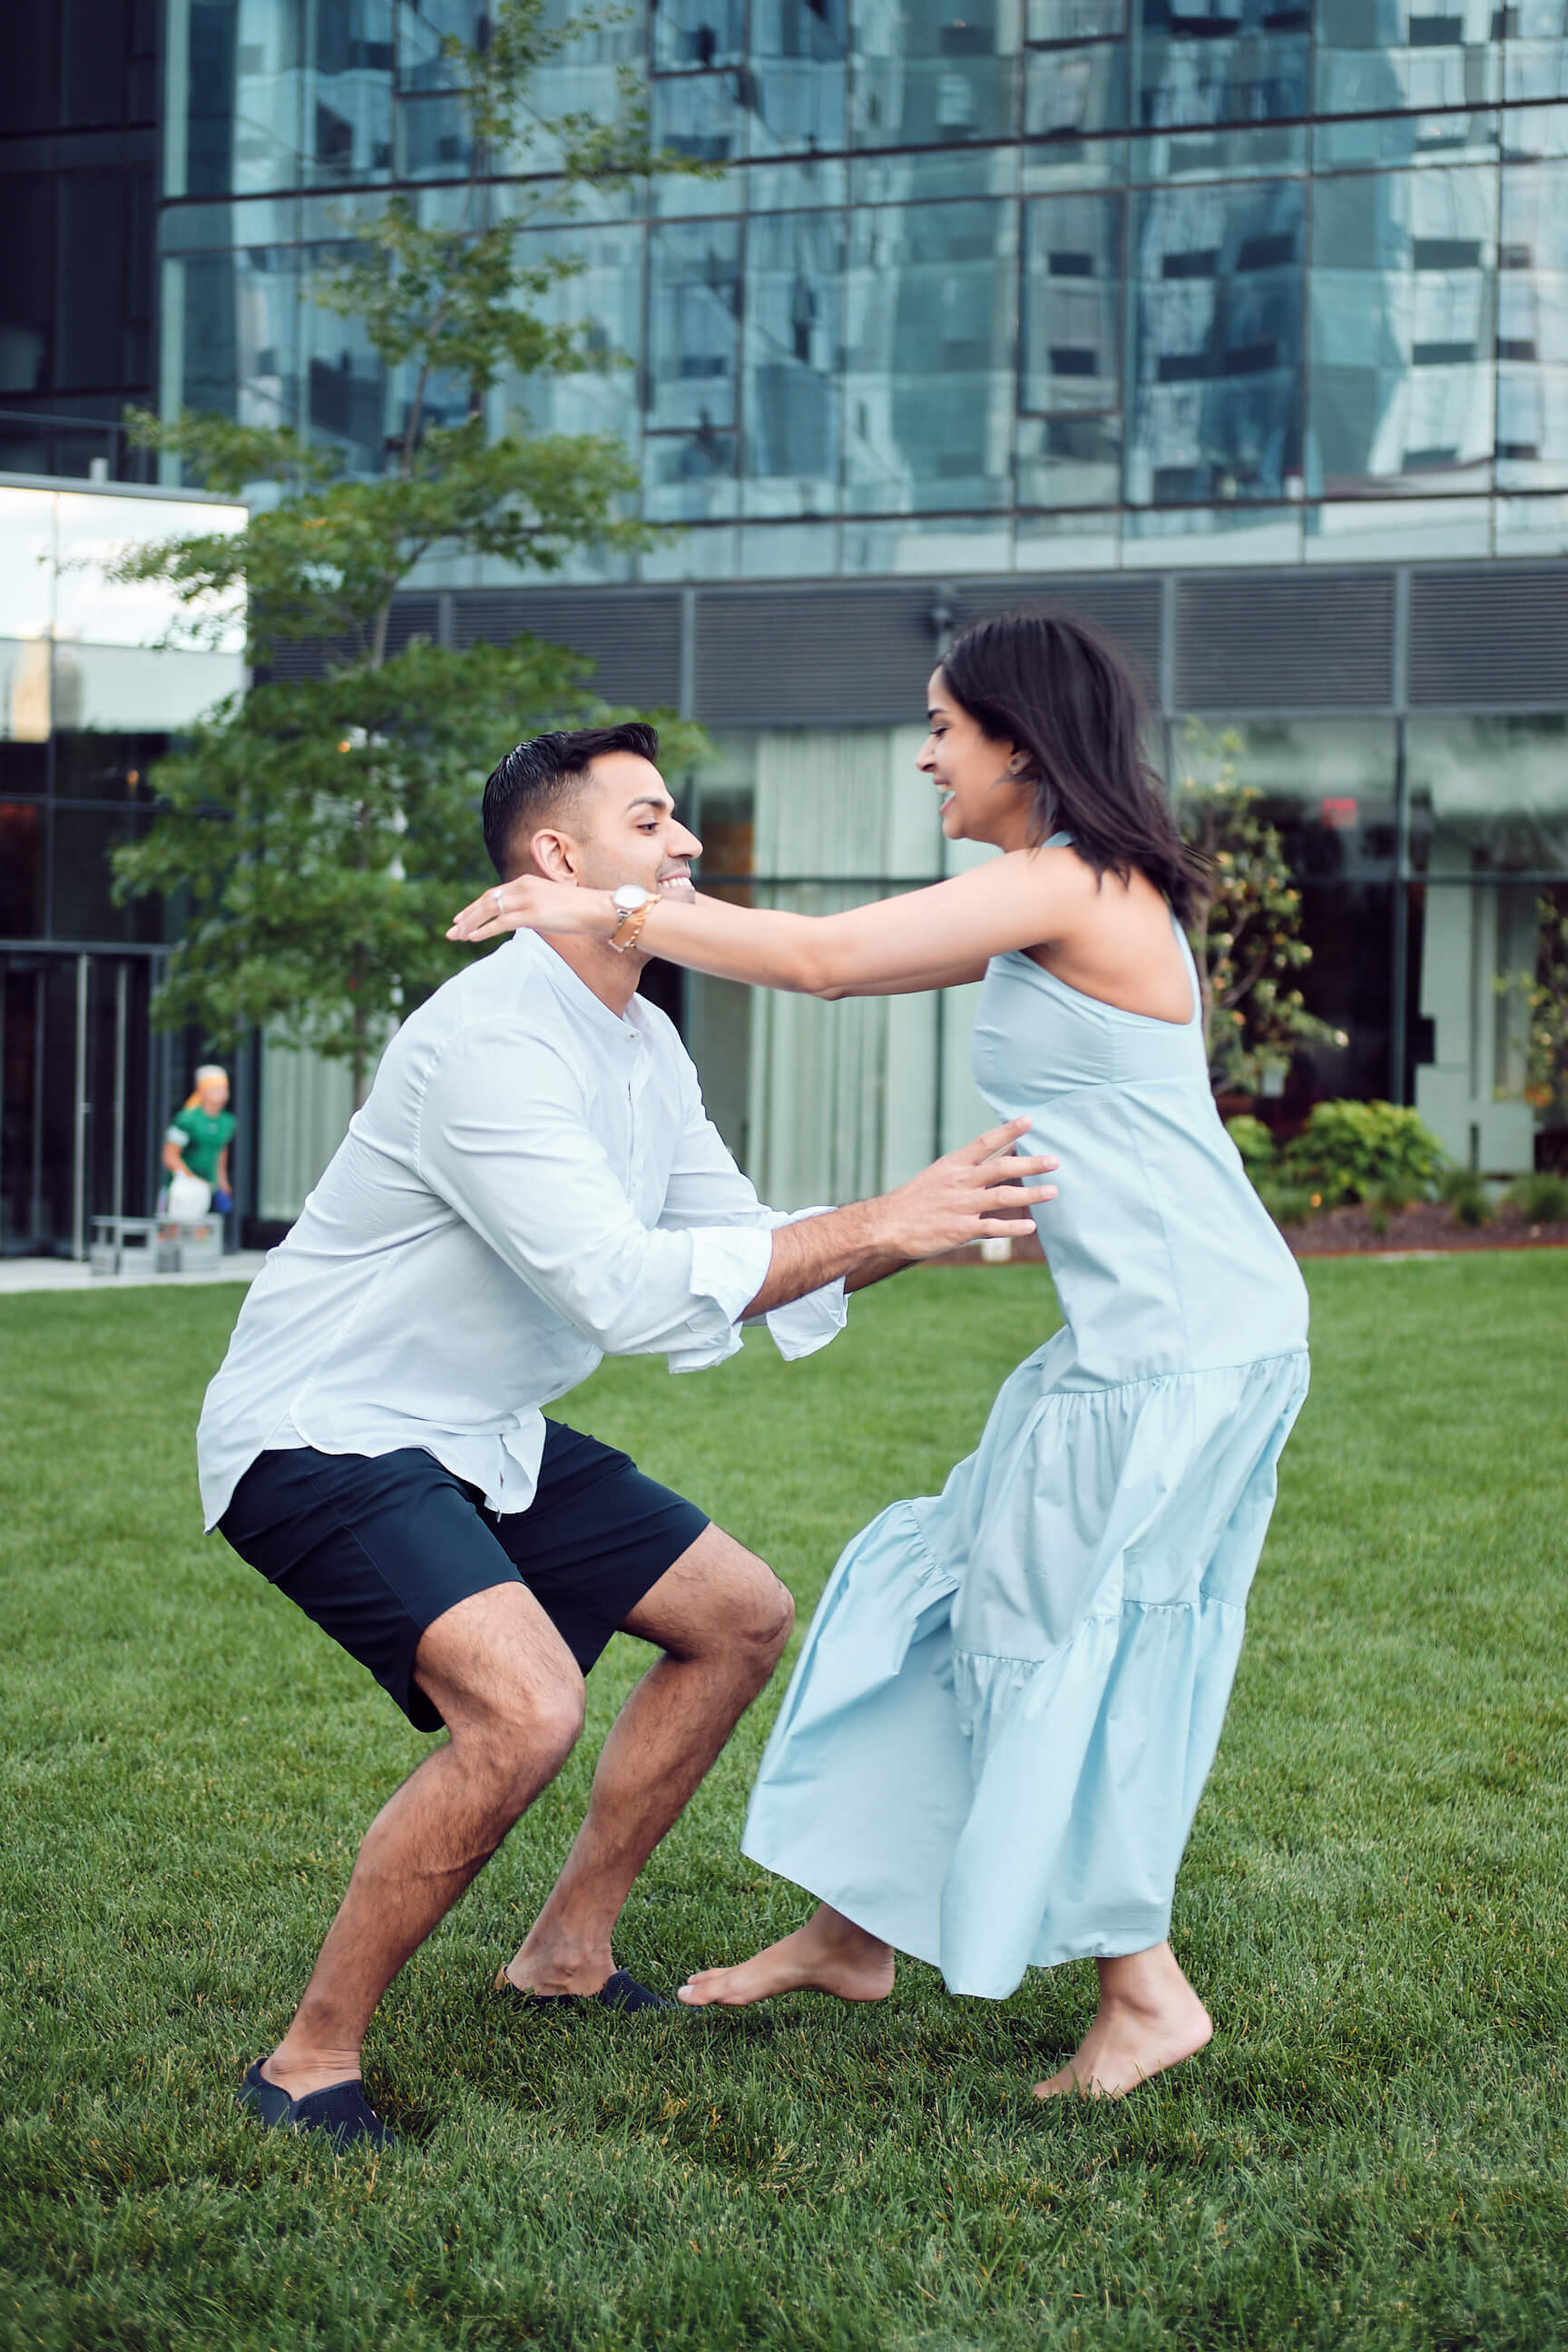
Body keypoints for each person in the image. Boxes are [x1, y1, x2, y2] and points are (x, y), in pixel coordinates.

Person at [446, 617, 1311, 2102]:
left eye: (939, 727)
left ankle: (1144, 1991)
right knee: (935, 1588)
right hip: (1150, 1330)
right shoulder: (1061, 888)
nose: (922, 754)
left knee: (1057, 1645)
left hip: (1179, 1342)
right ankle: (854, 1932)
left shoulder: (1065, 882)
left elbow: (827, 960)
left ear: (1016, 741)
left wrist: (601, 906)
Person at [201, 720, 1055, 2151]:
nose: (686, 846)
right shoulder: (484, 1041)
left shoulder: (645, 1038)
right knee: (526, 1709)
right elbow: (619, 1288)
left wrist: (932, 1217)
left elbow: (740, 1243)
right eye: (653, 821)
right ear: (561, 858)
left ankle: (566, 1953)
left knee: (738, 1615)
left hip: (482, 1428)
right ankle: (304, 2063)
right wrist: (876, 1222)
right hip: (326, 1429)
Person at [163, 1064, 235, 1215]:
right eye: (215, 1089)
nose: (221, 1093)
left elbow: (221, 1150)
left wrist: (222, 1180)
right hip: (184, 1187)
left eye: (223, 1089)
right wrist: (190, 1179)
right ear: (202, 1091)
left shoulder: (227, 1121)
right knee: (175, 1229)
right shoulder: (187, 1119)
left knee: (204, 1231)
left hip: (209, 1186)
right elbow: (170, 1155)